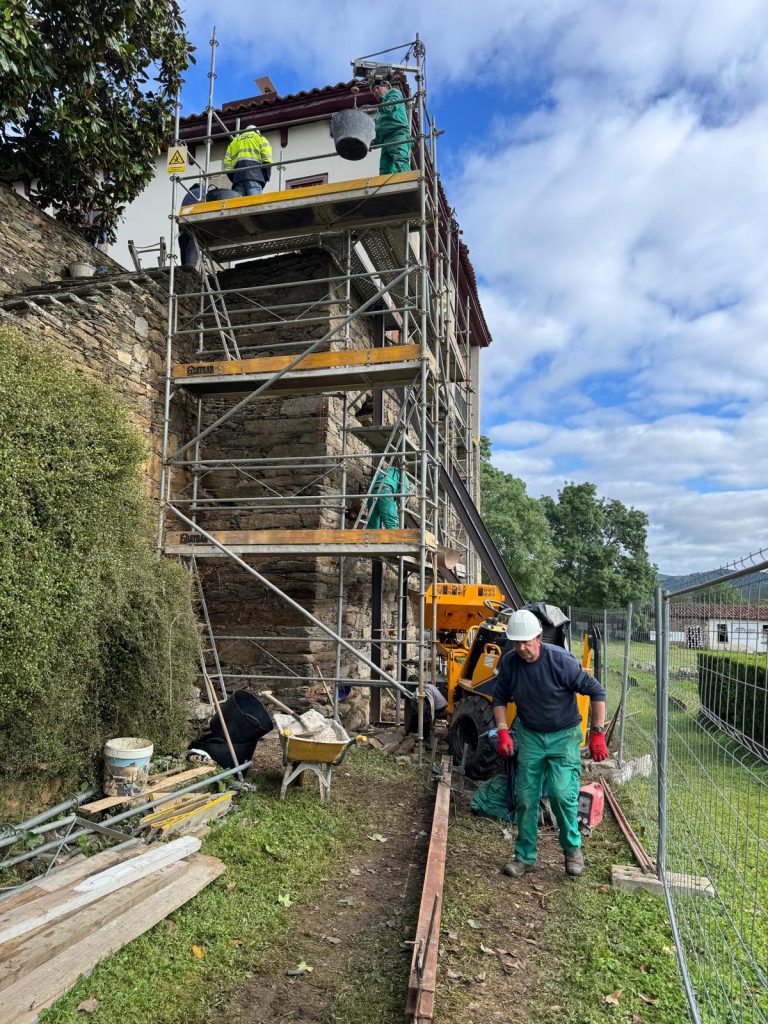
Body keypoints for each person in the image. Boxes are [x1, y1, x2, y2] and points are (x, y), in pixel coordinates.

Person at [492, 608, 608, 878]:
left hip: (564, 735)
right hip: (531, 734)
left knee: (560, 794)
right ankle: (525, 857)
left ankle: (572, 849)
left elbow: (596, 691)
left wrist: (597, 733)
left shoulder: (560, 661)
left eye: (526, 641)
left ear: (538, 637)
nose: (521, 648)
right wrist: (503, 732)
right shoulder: (510, 664)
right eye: (516, 642)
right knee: (526, 797)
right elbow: (499, 699)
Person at [371, 78, 411, 175]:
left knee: (400, 163)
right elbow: (380, 134)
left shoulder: (393, 92)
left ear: (386, 86)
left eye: (377, 88)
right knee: (384, 170)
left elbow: (390, 106)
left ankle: (408, 183)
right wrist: (371, 143)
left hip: (397, 134)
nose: (376, 91)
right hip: (386, 141)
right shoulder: (381, 113)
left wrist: (376, 107)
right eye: (374, 91)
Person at [223, 125, 272, 197]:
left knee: (239, 204)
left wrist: (234, 178)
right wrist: (266, 176)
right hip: (255, 176)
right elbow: (267, 160)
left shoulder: (234, 142)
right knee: (254, 204)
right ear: (256, 131)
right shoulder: (260, 138)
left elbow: (227, 165)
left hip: (238, 178)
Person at [367, 463, 407, 529]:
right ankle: (394, 539)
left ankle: (373, 539)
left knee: (373, 523)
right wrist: (399, 506)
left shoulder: (385, 470)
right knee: (391, 521)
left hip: (370, 492)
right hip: (384, 491)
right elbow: (404, 493)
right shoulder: (403, 475)